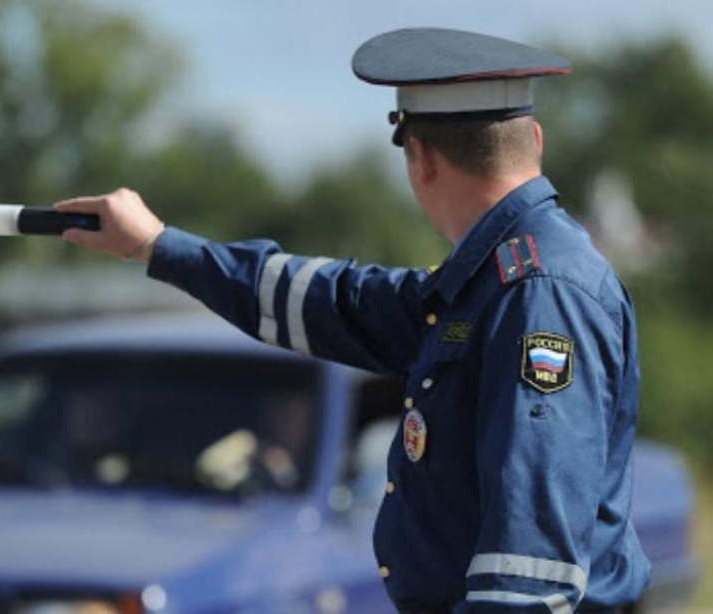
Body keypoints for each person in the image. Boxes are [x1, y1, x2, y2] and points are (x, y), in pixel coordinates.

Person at [54, 28, 651, 614]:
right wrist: (159, 246)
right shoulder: (494, 281)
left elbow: (528, 575)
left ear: (418, 157)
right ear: (535, 140)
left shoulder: (535, 291)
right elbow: (336, 302)